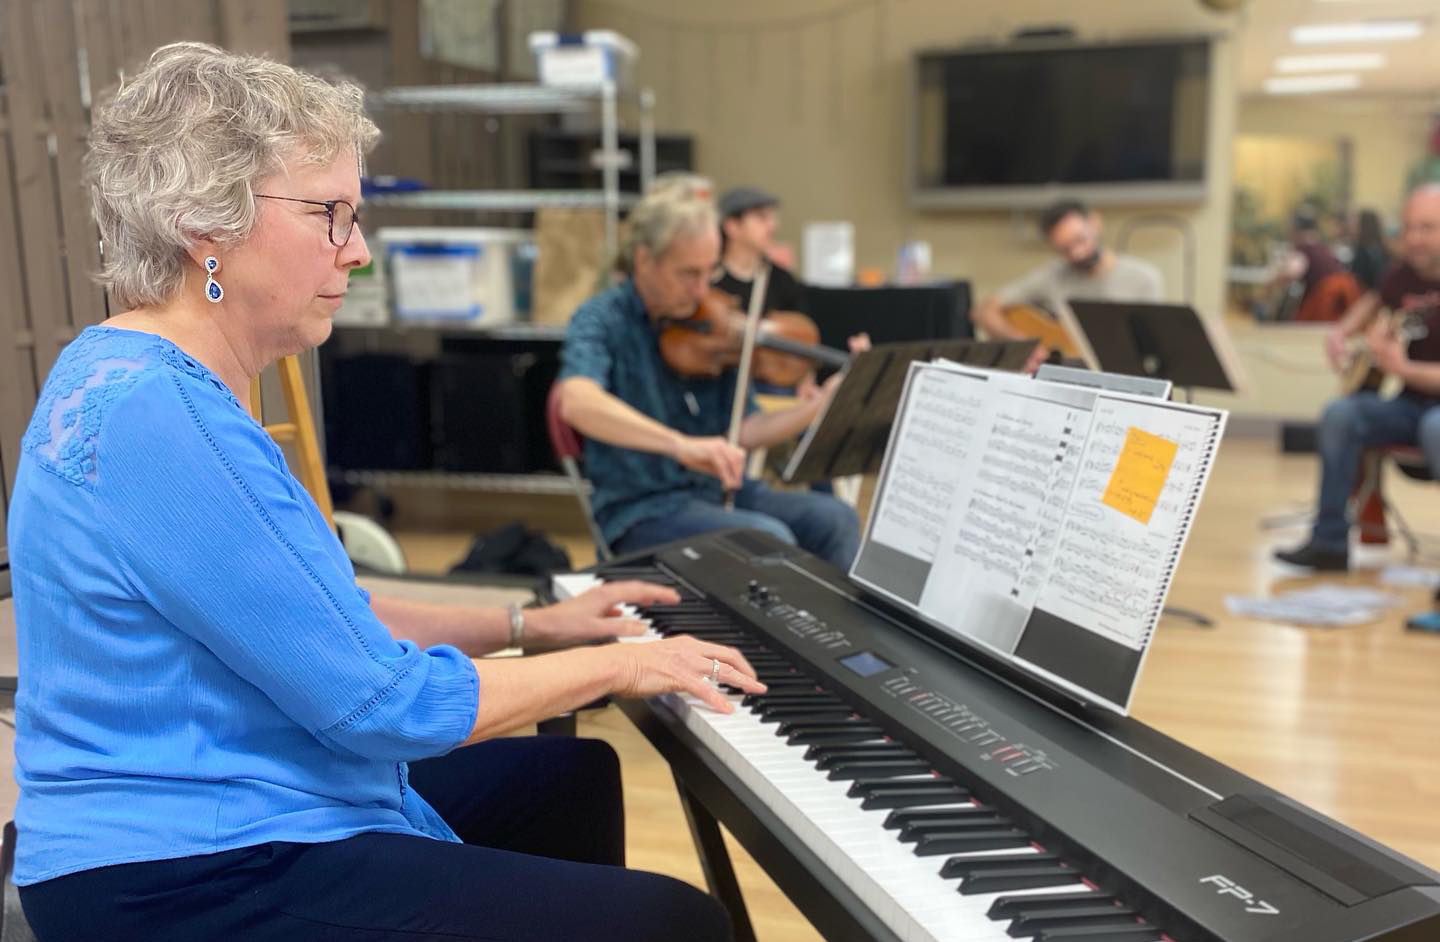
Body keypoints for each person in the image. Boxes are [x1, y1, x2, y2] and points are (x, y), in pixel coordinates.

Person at [8, 43, 762, 942]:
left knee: (572, 781)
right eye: (330, 214)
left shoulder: (131, 371)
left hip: (232, 798)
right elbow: (381, 706)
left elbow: (324, 617)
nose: (359, 251)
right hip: (173, 872)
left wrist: (531, 625)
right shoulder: (162, 417)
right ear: (206, 226)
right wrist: (624, 663)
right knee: (675, 923)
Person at [555, 189, 862, 570]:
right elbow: (578, 402)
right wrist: (680, 445)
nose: (702, 289)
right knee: (766, 539)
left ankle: (832, 613)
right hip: (643, 510)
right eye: (688, 273)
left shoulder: (713, 323)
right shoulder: (600, 319)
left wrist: (820, 406)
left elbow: (745, 429)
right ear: (645, 260)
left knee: (835, 519)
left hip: (720, 494)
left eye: (710, 272)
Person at [1275, 184, 1440, 571]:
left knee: (1435, 427)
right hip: (1411, 405)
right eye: (1408, 227)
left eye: (1427, 228)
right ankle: (1329, 544)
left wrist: (1401, 368)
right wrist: (1339, 333)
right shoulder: (1403, 274)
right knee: (1341, 414)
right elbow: (1373, 300)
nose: (1414, 238)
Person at [972, 198, 1163, 348]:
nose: (1077, 253)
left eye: (1080, 240)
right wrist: (1025, 345)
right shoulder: (1051, 276)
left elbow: (1151, 342)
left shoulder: (1143, 278)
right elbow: (984, 311)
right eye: (1065, 249)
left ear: (1095, 223)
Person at [712, 186, 808, 320]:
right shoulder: (708, 279)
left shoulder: (782, 280)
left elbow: (801, 327)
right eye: (761, 217)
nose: (772, 225)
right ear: (732, 226)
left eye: (772, 218)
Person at [1349, 208, 1392, 293]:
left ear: (1363, 226)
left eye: (1356, 224)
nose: (1352, 227)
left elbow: (1357, 280)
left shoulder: (1362, 252)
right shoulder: (1383, 249)